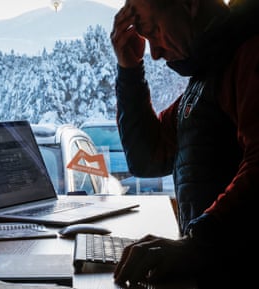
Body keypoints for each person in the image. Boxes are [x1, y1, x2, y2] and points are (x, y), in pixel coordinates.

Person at [110, 0, 259, 287]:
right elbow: (148, 157)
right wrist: (129, 70)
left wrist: (197, 242)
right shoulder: (209, 73)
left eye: (153, 30)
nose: (154, 53)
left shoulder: (249, 51)